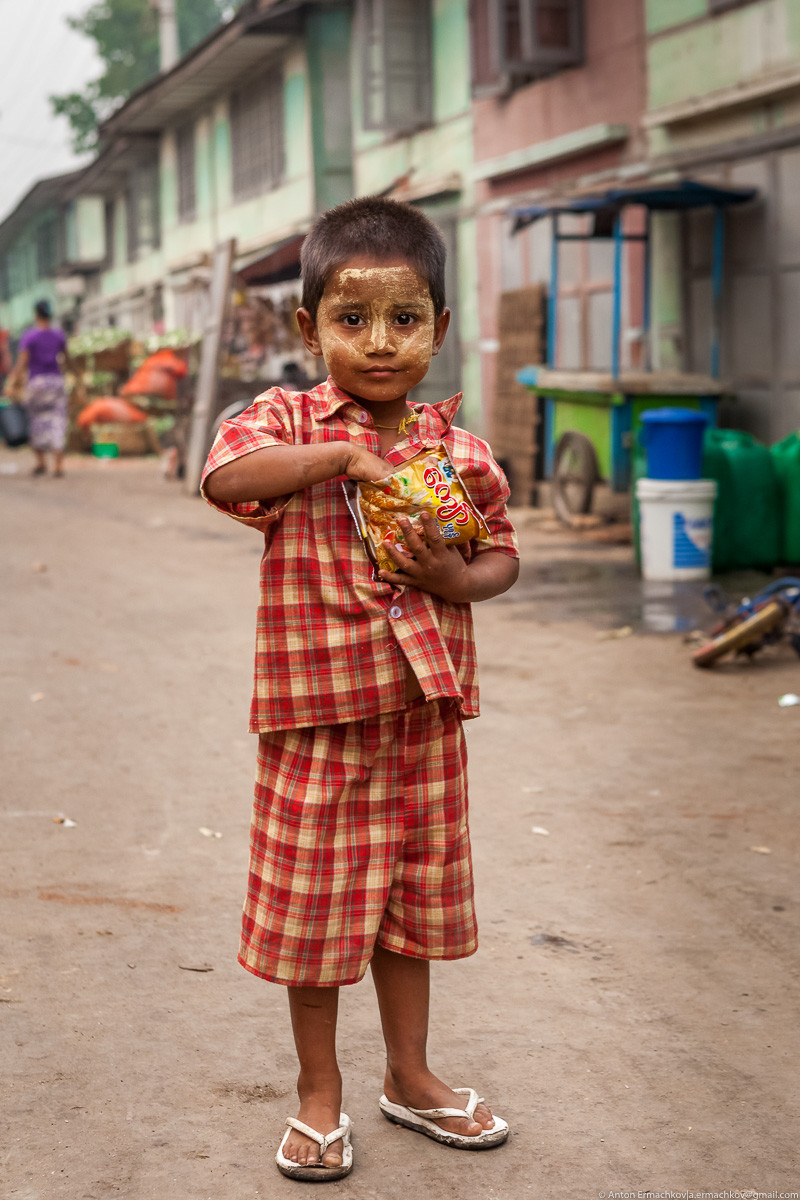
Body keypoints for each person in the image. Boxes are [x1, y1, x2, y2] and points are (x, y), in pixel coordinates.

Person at [201, 196, 520, 1183]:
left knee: (406, 912)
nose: (377, 344)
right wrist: (344, 458)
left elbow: (502, 554)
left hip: (423, 723)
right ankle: (317, 1094)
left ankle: (410, 1076)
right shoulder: (287, 422)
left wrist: (455, 580)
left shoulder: (457, 452)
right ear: (308, 329)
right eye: (350, 320)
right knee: (315, 919)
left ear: (438, 328)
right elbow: (223, 477)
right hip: (314, 728)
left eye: (403, 319)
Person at [9, 300, 73, 476]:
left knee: (37, 421)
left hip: (37, 384)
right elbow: (67, 360)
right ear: (50, 315)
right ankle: (59, 465)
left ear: (36, 315)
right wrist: (75, 375)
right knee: (58, 421)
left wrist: (13, 382)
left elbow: (22, 363)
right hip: (56, 383)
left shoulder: (30, 336)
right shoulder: (58, 335)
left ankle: (41, 462)